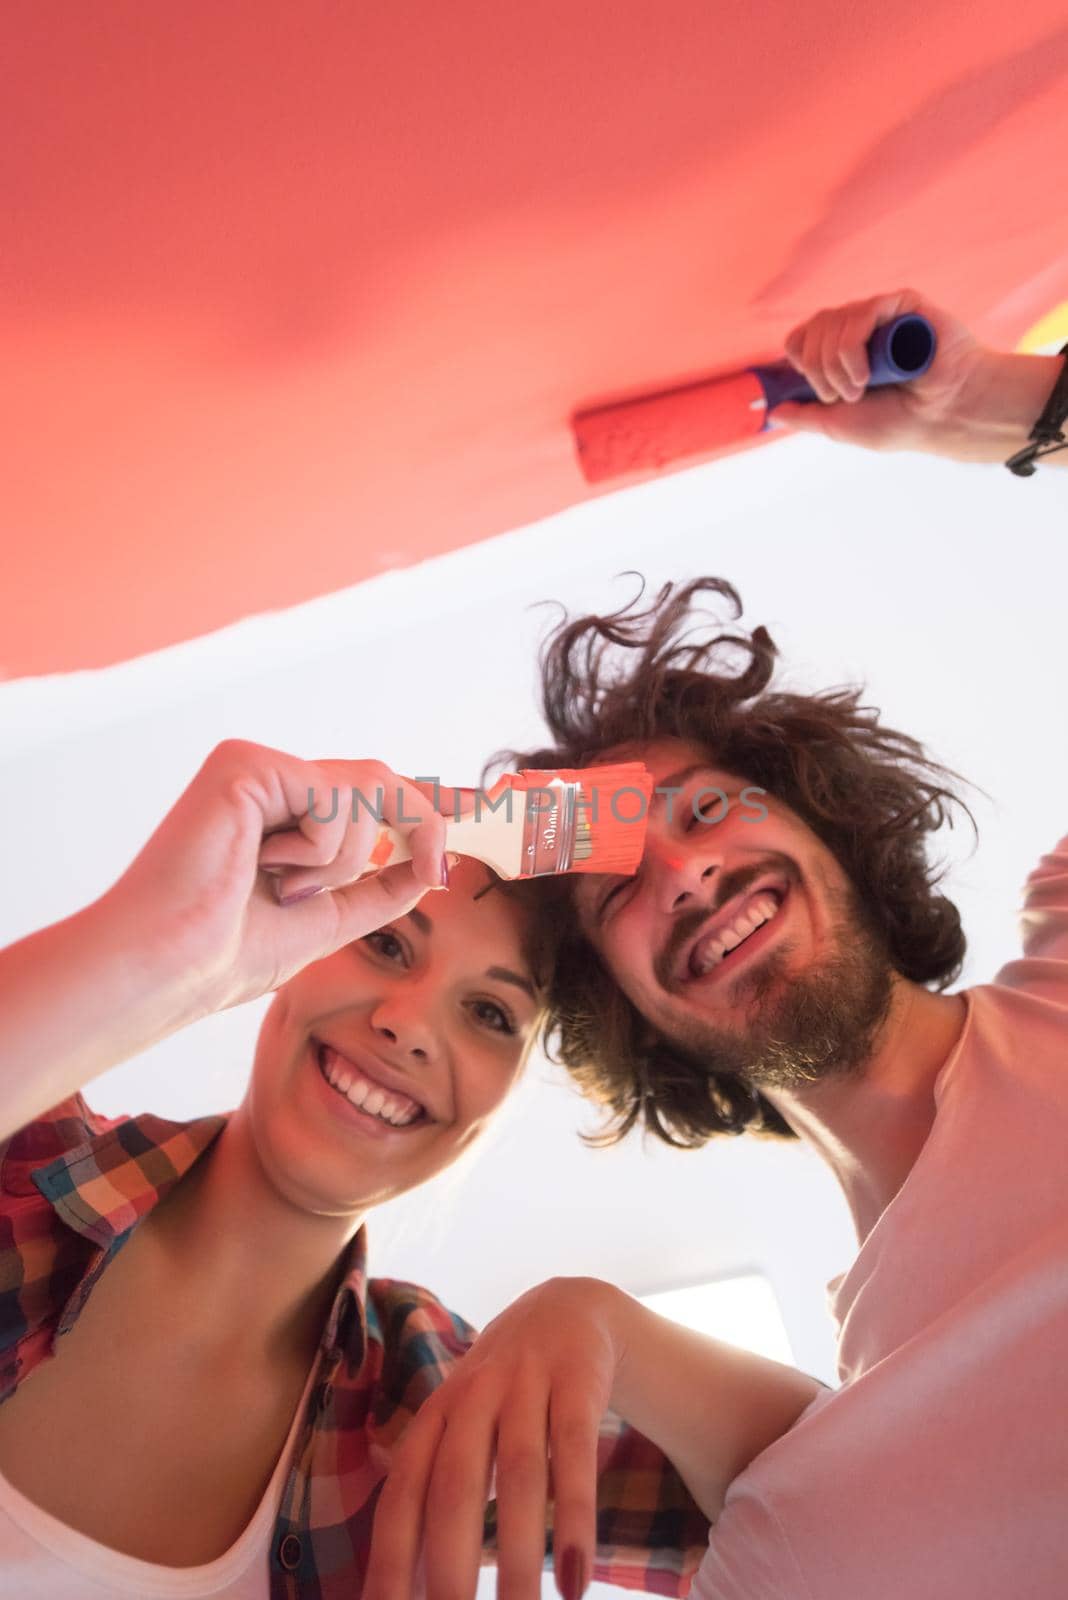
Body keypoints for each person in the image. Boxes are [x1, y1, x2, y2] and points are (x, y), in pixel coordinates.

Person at [364, 290, 1068, 1600]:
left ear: (835, 824)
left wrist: (994, 409)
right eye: (620, 887)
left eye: (705, 809)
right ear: (619, 1009)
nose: (684, 871)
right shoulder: (833, 1507)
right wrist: (598, 1321)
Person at [0, 739, 820, 1598]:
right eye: (387, 946)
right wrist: (169, 955)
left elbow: (845, 1489)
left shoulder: (442, 1409)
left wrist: (610, 1324)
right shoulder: (29, 1149)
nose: (410, 1025)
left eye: (490, 1013)